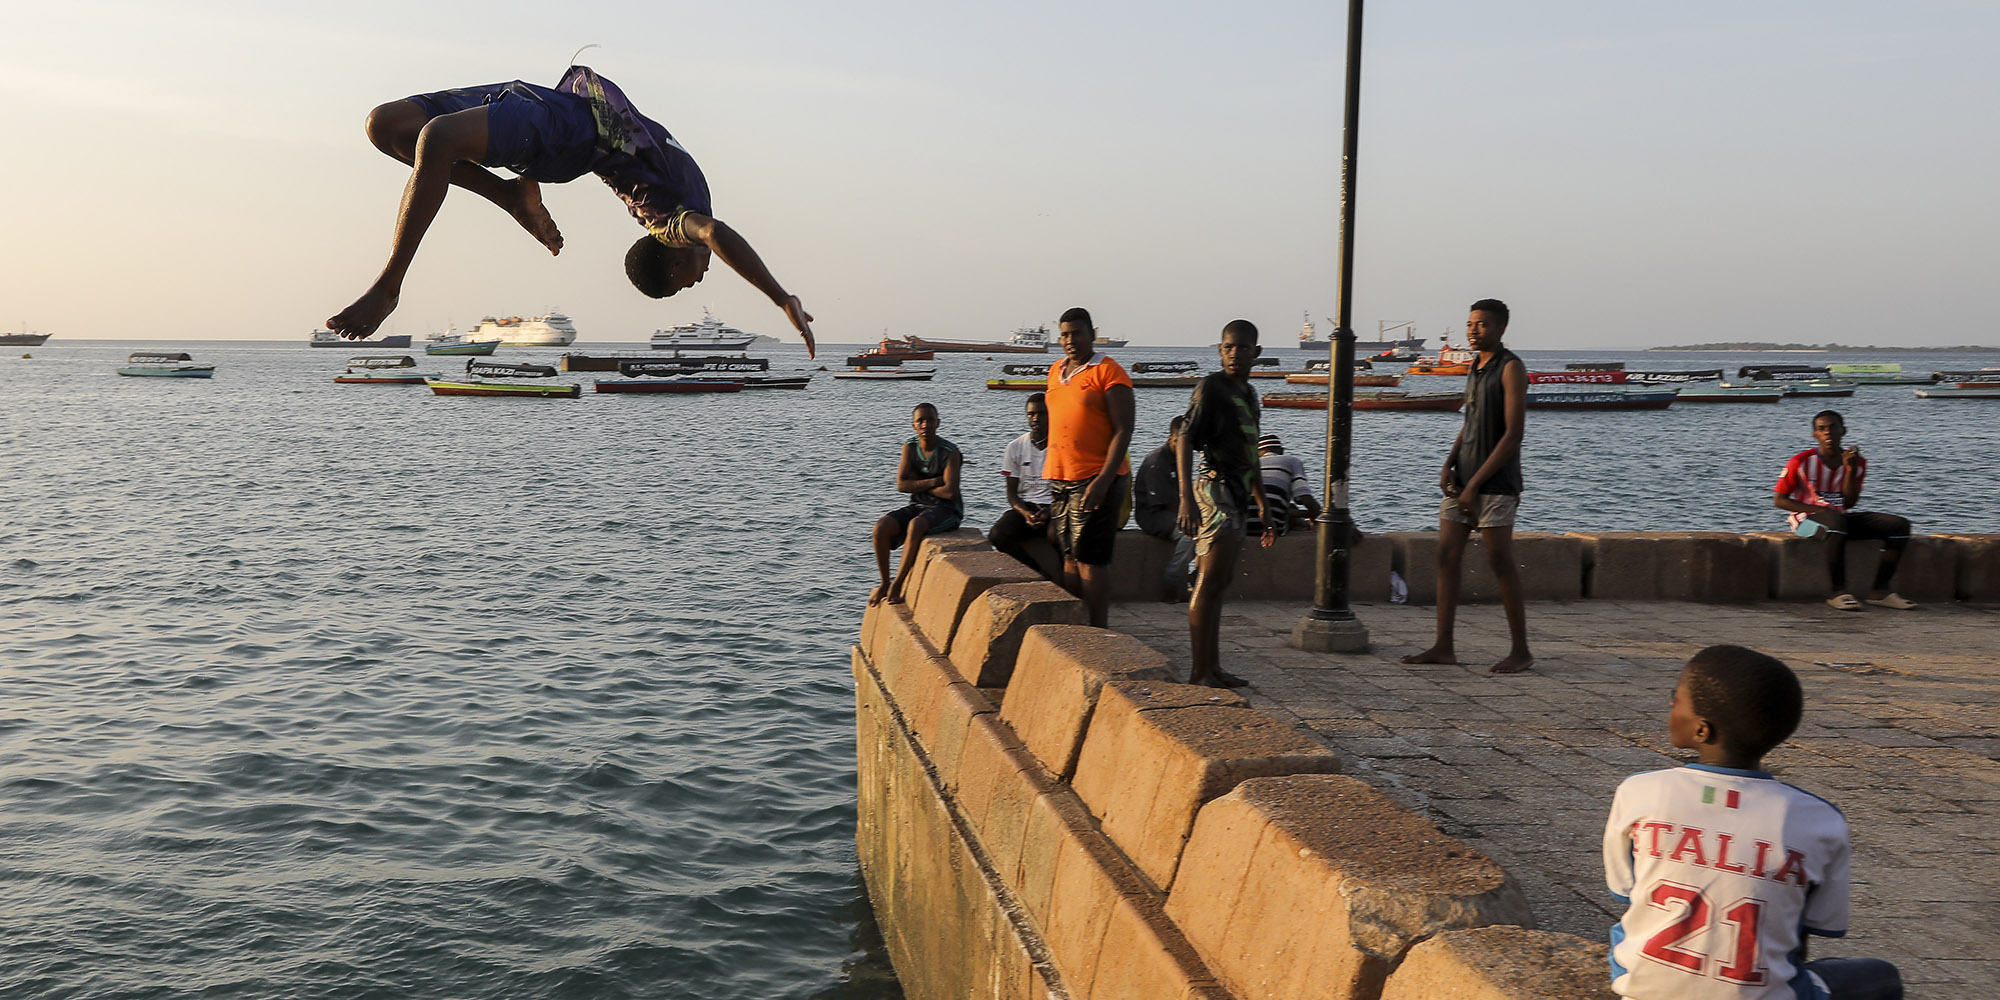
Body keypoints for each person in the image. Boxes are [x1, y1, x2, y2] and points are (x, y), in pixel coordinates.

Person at [327, 64, 816, 356]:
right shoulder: (686, 207)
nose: (701, 277)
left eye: (687, 280)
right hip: (556, 104)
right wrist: (780, 295)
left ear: (671, 254)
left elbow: (713, 234)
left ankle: (389, 285)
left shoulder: (666, 223)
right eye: (693, 280)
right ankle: (512, 197)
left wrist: (779, 297)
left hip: (568, 137)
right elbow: (715, 231)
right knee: (387, 127)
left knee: (437, 138)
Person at [1603, 645, 1904, 1000]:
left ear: (1703, 730)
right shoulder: (1819, 820)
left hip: (1641, 986)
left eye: (1676, 698)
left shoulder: (1640, 791)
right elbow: (1809, 930)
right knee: (1882, 977)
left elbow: (1627, 892)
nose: (1670, 705)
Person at [1402, 298, 1533, 675]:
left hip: (1496, 485)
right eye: (1470, 324)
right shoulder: (1475, 366)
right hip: (1463, 480)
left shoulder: (1511, 368)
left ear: (1501, 329)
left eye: (1482, 325)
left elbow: (1513, 435)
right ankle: (1444, 646)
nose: (1474, 331)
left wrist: (1476, 484)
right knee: (1446, 558)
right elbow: (1470, 421)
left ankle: (1521, 650)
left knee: (1500, 562)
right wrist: (1449, 462)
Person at [1177, 320, 1276, 688]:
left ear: (1256, 353)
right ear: (1220, 351)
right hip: (1214, 491)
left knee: (1221, 583)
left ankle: (1213, 667)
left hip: (1239, 492)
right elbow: (1186, 438)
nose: (1235, 354)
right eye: (1228, 347)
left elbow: (1252, 454)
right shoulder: (1212, 388)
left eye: (1243, 348)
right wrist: (1186, 497)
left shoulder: (1249, 394)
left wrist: (1262, 504)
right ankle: (1199, 672)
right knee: (1207, 580)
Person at [1043, 307, 1135, 628]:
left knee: (1091, 560)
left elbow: (1124, 430)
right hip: (1060, 476)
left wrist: (1103, 481)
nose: (1071, 340)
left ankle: (1098, 630)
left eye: (1078, 333)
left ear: (1092, 334)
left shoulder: (1109, 372)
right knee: (1068, 554)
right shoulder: (1056, 371)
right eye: (1065, 334)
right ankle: (1075, 627)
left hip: (1097, 477)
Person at [1773, 411, 1917, 612]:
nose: (1828, 432)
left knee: (1899, 525)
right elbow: (1779, 500)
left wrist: (1850, 470)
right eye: (1821, 429)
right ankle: (1837, 592)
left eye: (1833, 427)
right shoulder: (1801, 462)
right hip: (1806, 521)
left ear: (1844, 431)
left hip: (1839, 517)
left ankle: (1880, 591)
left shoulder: (1857, 462)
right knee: (1836, 524)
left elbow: (1849, 502)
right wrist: (1816, 508)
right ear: (1815, 434)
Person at [870, 403, 961, 606]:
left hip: (947, 510)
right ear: (913, 425)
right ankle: (885, 582)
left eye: (930, 420)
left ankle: (899, 583)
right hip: (919, 505)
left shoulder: (950, 452)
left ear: (938, 423)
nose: (925, 424)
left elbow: (949, 492)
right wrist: (933, 482)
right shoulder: (910, 447)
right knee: (881, 527)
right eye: (920, 420)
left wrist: (917, 485)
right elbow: (902, 485)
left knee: (915, 525)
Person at [988, 393, 1056, 576]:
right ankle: (1037, 573)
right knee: (996, 534)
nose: (1036, 418)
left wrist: (1049, 511)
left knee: (1058, 537)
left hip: (1055, 507)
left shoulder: (1062, 446)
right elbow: (1012, 493)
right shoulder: (1015, 447)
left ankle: (1069, 583)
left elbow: (1067, 490)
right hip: (1027, 507)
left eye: (1041, 413)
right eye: (1031, 414)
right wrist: (1025, 513)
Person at [1134, 416, 1197, 602]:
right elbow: (1166, 503)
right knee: (1192, 533)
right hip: (1154, 515)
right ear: (1171, 438)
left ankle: (1193, 578)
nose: (1185, 447)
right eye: (1179, 442)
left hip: (1173, 510)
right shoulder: (1157, 462)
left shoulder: (1181, 458)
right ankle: (1172, 579)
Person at [1252, 433, 1321, 535]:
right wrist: (1317, 515)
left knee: (1288, 507)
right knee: (1291, 508)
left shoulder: (1251, 464)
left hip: (1245, 527)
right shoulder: (1291, 461)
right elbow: (1305, 499)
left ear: (1257, 453)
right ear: (1281, 450)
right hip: (1274, 527)